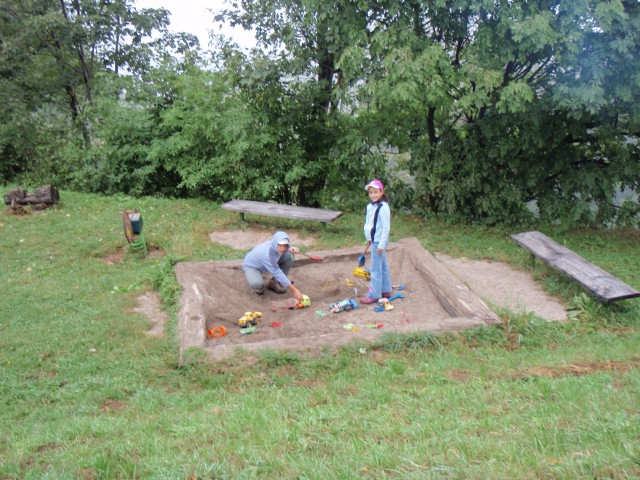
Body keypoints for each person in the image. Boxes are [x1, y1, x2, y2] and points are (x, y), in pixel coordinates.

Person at [242, 231, 305, 300]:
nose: (282, 248)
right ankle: (258, 287)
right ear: (276, 243)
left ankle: (274, 282)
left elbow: (283, 245)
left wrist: (290, 248)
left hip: (267, 263)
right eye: (280, 245)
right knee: (256, 283)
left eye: (285, 246)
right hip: (253, 266)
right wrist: (294, 290)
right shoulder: (267, 254)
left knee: (288, 256)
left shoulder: (276, 245)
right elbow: (277, 273)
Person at [360, 179, 392, 304]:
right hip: (373, 240)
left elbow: (386, 227)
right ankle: (385, 290)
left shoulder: (383, 207)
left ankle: (374, 294)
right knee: (382, 266)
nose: (373, 195)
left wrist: (381, 245)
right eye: (371, 192)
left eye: (376, 192)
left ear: (382, 192)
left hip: (379, 242)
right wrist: (368, 238)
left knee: (375, 270)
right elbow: (369, 223)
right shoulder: (370, 206)